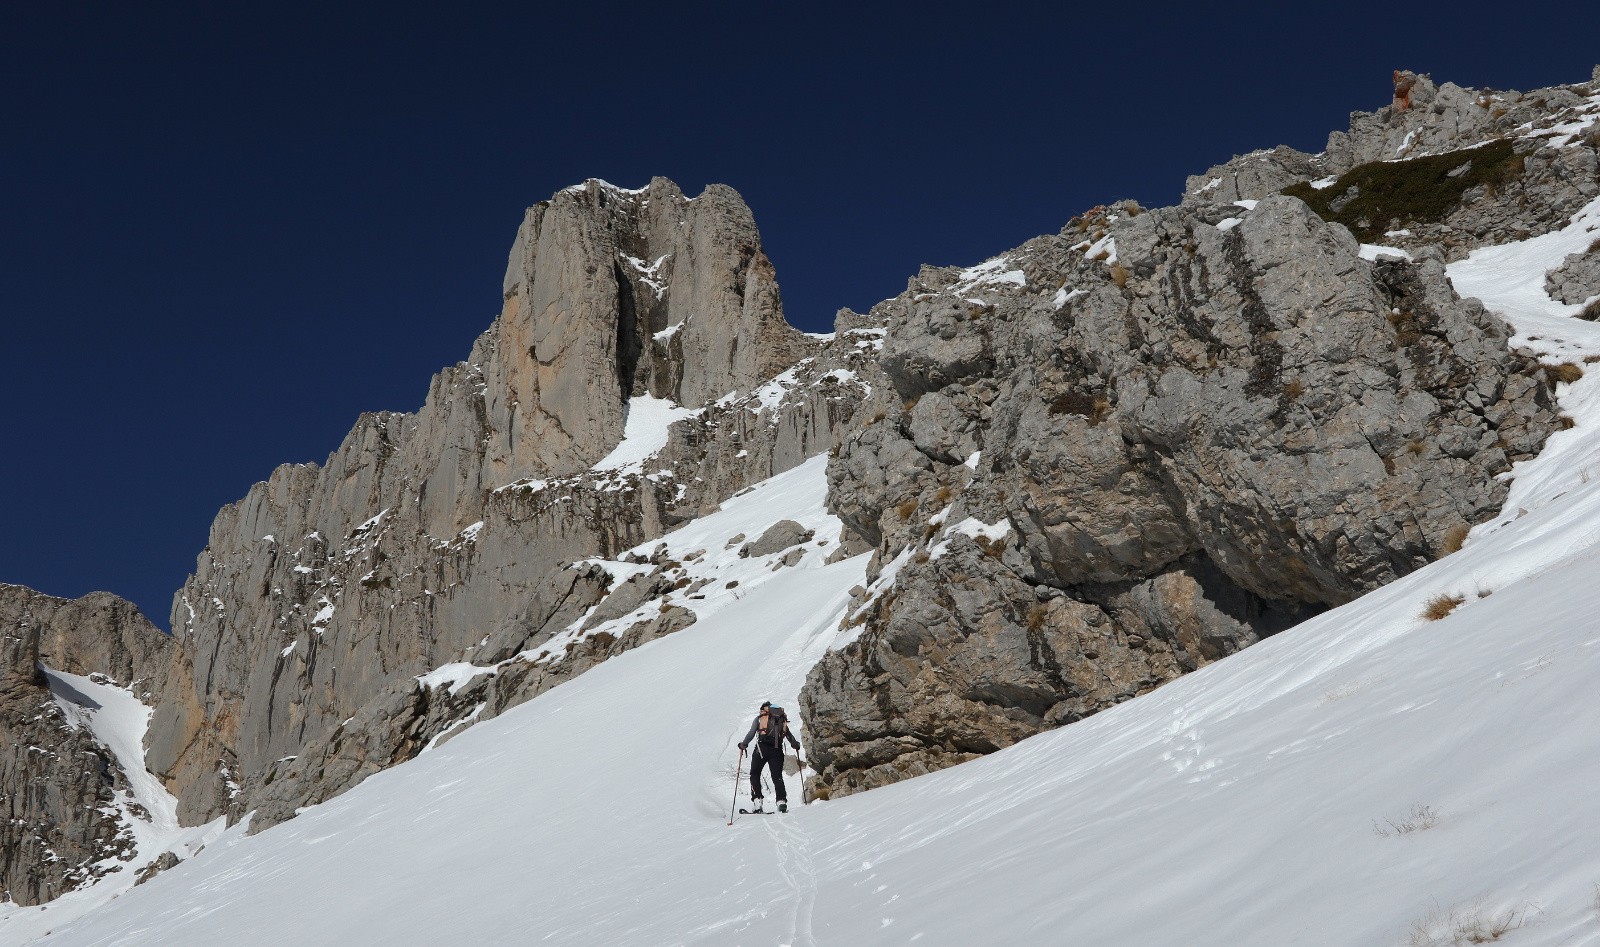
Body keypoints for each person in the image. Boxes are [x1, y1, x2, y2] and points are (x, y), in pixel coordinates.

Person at [738, 700, 801, 812]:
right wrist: (795, 745)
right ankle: (781, 802)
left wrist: (743, 745)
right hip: (777, 751)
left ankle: (757, 802)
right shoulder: (781, 718)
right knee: (777, 777)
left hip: (761, 750)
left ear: (763, 709)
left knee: (755, 773)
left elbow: (751, 733)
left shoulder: (759, 718)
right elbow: (788, 735)